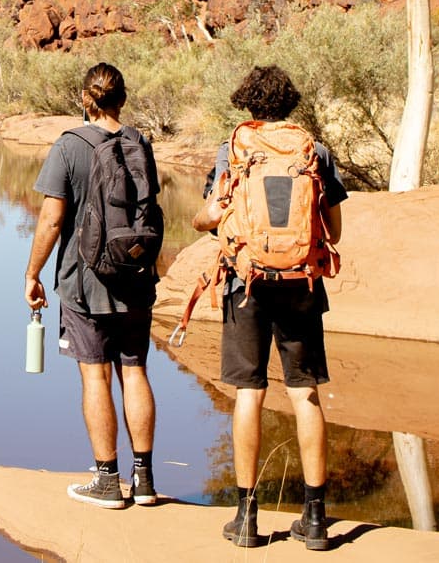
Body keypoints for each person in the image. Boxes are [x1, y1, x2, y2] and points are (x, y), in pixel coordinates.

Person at [192, 65, 346, 551]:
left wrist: (206, 221)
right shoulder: (314, 151)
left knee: (248, 394)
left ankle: (247, 517)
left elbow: (211, 216)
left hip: (247, 282)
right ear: (290, 102)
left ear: (248, 103)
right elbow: (334, 231)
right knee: (305, 394)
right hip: (301, 282)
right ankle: (316, 519)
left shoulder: (233, 150)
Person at [24, 62, 161, 510]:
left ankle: (106, 480)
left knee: (96, 374)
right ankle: (144, 480)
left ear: (86, 98)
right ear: (121, 98)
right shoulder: (140, 142)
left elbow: (52, 218)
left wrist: (32, 273)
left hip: (85, 283)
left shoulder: (69, 146)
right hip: (136, 279)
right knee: (135, 370)